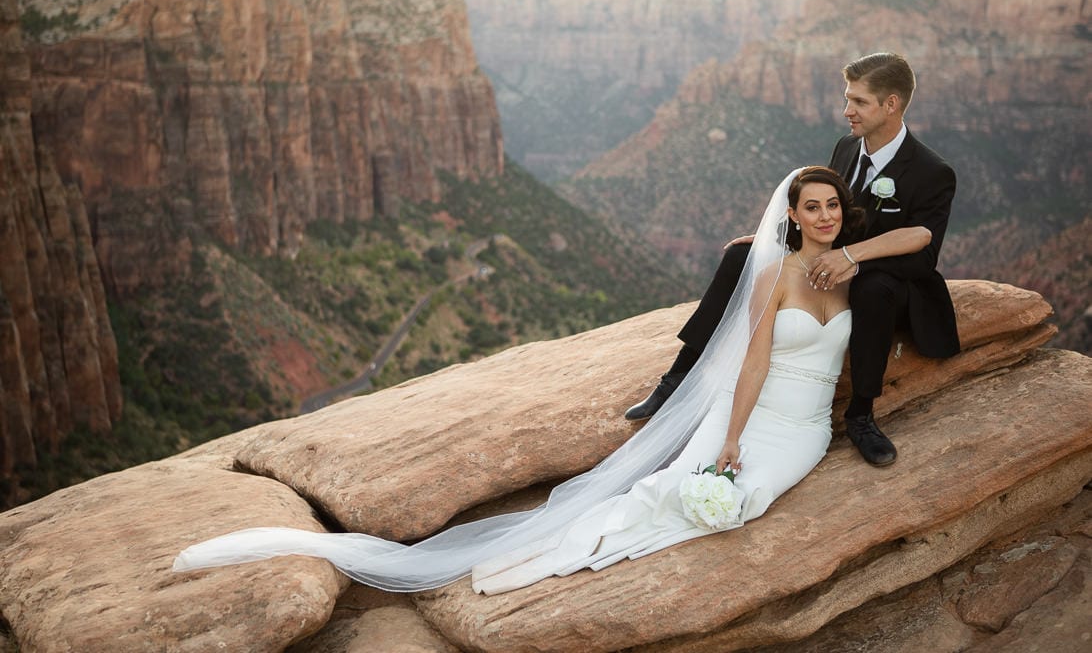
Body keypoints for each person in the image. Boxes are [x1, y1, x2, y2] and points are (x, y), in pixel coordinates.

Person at [172, 167, 906, 594]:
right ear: (793, 214)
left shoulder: (850, 272)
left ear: (845, 214)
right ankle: (542, 553)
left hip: (807, 429)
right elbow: (750, 360)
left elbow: (919, 240)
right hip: (755, 413)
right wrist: (732, 437)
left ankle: (611, 531)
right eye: (811, 207)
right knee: (673, 489)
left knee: (744, 504)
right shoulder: (774, 274)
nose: (824, 216)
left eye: (833, 206)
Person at [625, 52, 960, 468]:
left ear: (890, 105)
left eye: (858, 102)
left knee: (875, 290)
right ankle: (678, 377)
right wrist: (778, 236)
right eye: (847, 99)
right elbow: (831, 212)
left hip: (885, 276)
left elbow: (923, 257)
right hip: (830, 259)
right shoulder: (847, 148)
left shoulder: (932, 172)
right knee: (741, 256)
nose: (846, 111)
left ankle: (861, 415)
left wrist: (854, 259)